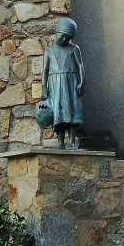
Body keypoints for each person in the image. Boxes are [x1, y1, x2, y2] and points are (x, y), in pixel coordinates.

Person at [41, 17, 84, 149]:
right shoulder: (48, 52)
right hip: (55, 86)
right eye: (63, 36)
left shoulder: (74, 49)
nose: (65, 39)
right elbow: (45, 71)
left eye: (68, 37)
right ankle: (60, 143)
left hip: (71, 84)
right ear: (57, 33)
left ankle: (71, 142)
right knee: (57, 114)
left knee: (72, 113)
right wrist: (44, 87)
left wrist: (82, 82)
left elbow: (80, 65)